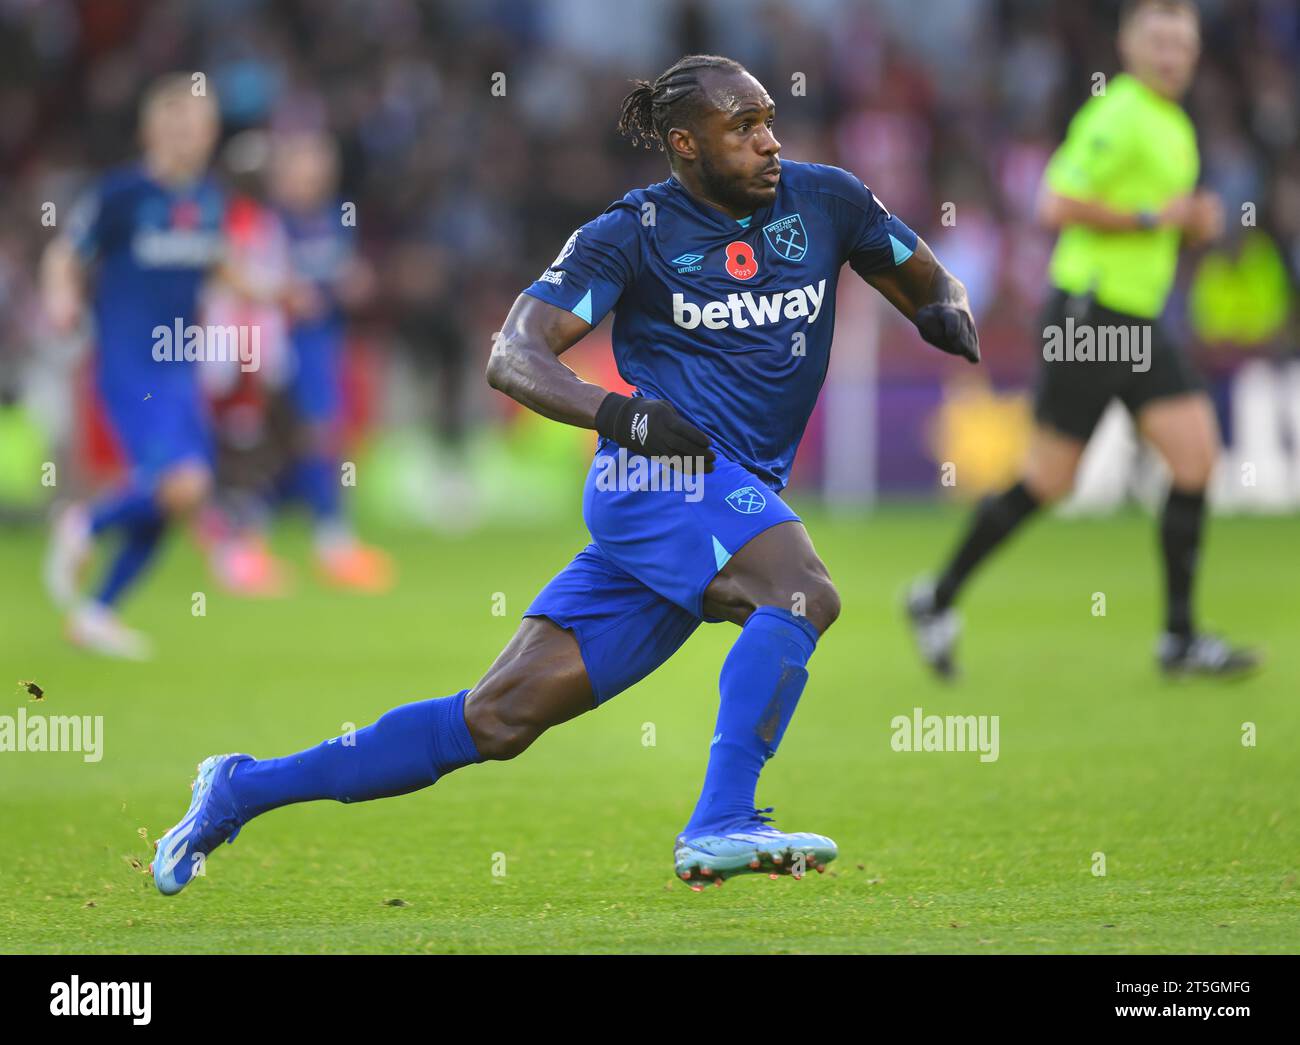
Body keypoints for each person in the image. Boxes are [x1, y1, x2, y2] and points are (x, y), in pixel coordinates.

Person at [150, 54, 979, 895]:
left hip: (722, 501)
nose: (770, 143)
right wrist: (619, 414)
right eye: (745, 128)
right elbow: (513, 356)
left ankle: (238, 787)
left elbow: (922, 274)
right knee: (801, 591)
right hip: (655, 480)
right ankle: (723, 817)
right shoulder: (632, 233)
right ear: (686, 146)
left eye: (769, 121)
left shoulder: (826, 199)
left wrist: (942, 310)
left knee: (497, 718)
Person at [906, 0, 1259, 680]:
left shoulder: (1173, 124)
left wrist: (1184, 226)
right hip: (1090, 317)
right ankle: (937, 595)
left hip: (1137, 318)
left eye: (1181, 42)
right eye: (1157, 40)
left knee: (1193, 459)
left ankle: (1178, 640)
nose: (1171, 53)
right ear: (1130, 46)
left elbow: (1152, 219)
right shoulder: (1118, 113)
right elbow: (1052, 202)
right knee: (1051, 477)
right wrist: (1158, 215)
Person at [42, 75, 226, 659]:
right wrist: (61, 297)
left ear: (211, 133)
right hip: (130, 364)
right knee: (185, 483)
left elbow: (219, 265)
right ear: (150, 129)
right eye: (174, 122)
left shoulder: (208, 202)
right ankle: (84, 526)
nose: (185, 135)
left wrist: (277, 291)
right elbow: (65, 252)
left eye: (195, 123)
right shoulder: (121, 194)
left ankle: (97, 613)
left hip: (179, 368)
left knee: (181, 495)